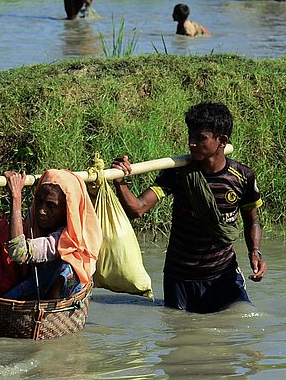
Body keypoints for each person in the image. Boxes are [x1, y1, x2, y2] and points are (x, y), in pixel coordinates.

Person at [111, 102, 266, 313]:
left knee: (242, 320)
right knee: (182, 334)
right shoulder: (177, 174)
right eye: (190, 136)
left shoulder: (242, 177)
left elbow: (252, 220)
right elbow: (137, 209)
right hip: (180, 277)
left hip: (223, 275)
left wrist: (254, 252)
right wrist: (119, 181)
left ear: (222, 141)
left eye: (200, 138)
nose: (191, 144)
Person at [0, 168, 101, 301]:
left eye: (51, 206)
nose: (41, 211)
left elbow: (19, 252)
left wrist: (16, 197)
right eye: (39, 202)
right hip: (30, 283)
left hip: (50, 296)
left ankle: (49, 312)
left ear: (67, 210)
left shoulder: (66, 239)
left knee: (66, 268)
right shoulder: (33, 223)